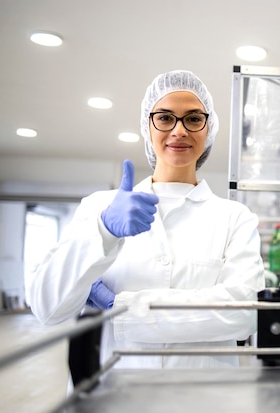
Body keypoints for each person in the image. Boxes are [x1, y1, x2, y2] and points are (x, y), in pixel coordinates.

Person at [29, 70, 266, 369]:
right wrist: (103, 231)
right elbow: (47, 308)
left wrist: (121, 307)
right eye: (165, 118)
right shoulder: (100, 206)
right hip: (115, 398)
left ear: (209, 130)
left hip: (204, 399)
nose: (179, 131)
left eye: (193, 119)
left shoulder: (235, 217)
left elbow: (245, 313)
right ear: (147, 126)